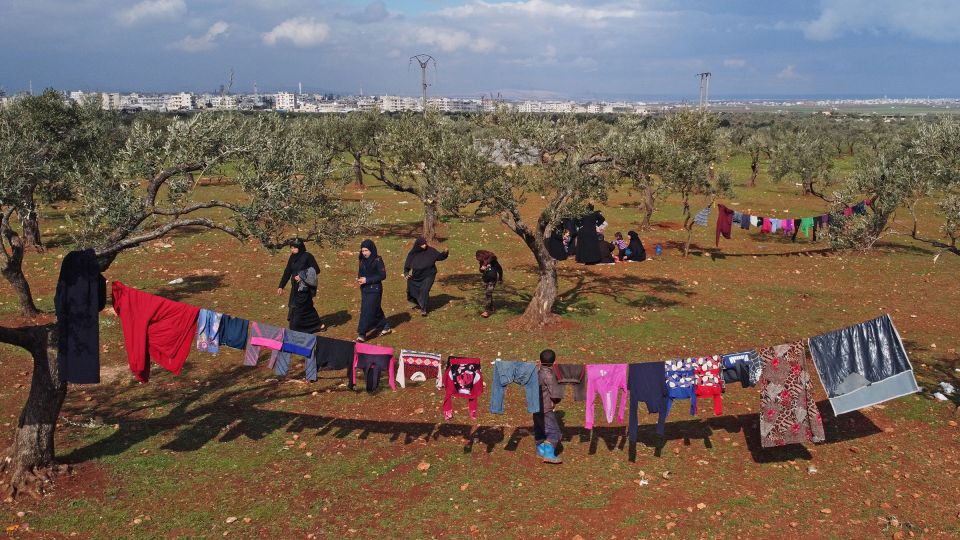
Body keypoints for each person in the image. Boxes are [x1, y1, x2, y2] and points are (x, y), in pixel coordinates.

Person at [276, 238, 324, 333]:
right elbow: (287, 271)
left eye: (294, 248)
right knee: (307, 307)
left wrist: (302, 275)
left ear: (300, 247)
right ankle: (319, 325)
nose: (292, 250)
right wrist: (281, 286)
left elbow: (316, 270)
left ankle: (296, 329)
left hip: (304, 288)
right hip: (295, 288)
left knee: (298, 309)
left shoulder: (307, 256)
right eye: (291, 248)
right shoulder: (292, 257)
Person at [403, 236, 449, 317]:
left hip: (429, 274)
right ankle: (420, 302)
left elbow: (440, 257)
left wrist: (445, 253)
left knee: (424, 290)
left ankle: (423, 309)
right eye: (422, 245)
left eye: (425, 244)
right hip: (417, 276)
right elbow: (407, 266)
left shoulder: (430, 251)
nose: (424, 246)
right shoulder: (412, 253)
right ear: (418, 245)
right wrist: (406, 273)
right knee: (412, 289)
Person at [356, 239, 391, 342]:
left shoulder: (378, 260)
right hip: (365, 289)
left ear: (371, 249)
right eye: (363, 251)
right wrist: (360, 279)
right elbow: (360, 272)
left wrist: (367, 280)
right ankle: (385, 325)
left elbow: (382, 275)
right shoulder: (362, 260)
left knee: (366, 311)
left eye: (366, 250)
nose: (364, 253)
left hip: (375, 289)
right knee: (374, 309)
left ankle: (362, 334)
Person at [534, 349, 563, 464]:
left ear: (540, 361)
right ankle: (549, 454)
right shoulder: (549, 376)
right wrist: (557, 400)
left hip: (535, 406)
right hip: (546, 407)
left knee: (540, 428)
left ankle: (541, 449)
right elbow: (555, 394)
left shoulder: (536, 372)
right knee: (554, 431)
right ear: (554, 362)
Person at [475, 250, 504, 318]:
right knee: (488, 294)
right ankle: (491, 308)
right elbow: (481, 270)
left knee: (488, 293)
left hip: (492, 280)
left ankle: (487, 311)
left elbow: (500, 269)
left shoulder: (493, 261)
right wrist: (482, 269)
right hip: (486, 280)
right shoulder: (482, 262)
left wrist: (500, 278)